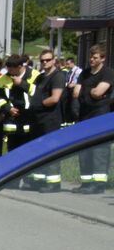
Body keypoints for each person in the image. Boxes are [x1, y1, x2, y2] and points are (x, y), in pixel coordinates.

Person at [72, 45, 113, 193]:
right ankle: (86, 182)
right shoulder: (85, 73)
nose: (92, 60)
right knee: (84, 148)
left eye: (95, 57)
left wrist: (85, 90)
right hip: (84, 113)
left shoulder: (107, 73)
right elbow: (76, 93)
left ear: (103, 58)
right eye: (91, 57)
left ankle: (99, 184)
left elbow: (99, 92)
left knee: (99, 149)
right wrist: (90, 92)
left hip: (100, 114)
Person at [26, 49, 66, 192]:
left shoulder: (58, 76)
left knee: (50, 150)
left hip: (50, 119)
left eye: (48, 60)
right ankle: (39, 180)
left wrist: (39, 104)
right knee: (38, 150)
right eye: (42, 60)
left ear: (54, 60)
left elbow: (55, 98)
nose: (44, 62)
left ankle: (53, 183)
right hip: (38, 118)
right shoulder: (41, 77)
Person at [0, 54, 39, 158]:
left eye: (11, 68)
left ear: (20, 67)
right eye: (7, 68)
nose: (8, 71)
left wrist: (22, 83)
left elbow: (38, 94)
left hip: (29, 120)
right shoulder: (3, 78)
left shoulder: (34, 75)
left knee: (29, 153)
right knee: (13, 155)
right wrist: (7, 108)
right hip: (11, 122)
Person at [61, 56, 83, 127]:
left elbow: (81, 81)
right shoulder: (69, 72)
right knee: (68, 107)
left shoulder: (78, 71)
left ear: (72, 63)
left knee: (75, 108)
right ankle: (69, 122)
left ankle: (77, 122)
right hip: (68, 91)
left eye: (68, 64)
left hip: (75, 91)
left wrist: (74, 84)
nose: (66, 65)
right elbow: (67, 80)